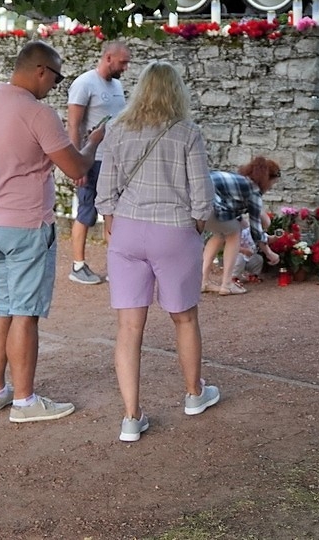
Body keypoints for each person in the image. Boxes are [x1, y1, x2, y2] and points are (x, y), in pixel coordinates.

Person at [0, 40, 104, 424]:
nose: (56, 86)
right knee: (25, 313)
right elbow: (76, 167)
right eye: (56, 78)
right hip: (26, 223)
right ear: (41, 70)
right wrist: (92, 142)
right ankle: (25, 402)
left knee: (0, 309)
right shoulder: (38, 113)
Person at [95, 61, 221, 442]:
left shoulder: (118, 130)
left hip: (127, 230)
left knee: (128, 327)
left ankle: (131, 417)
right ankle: (194, 394)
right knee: (185, 318)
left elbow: (105, 191)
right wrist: (195, 226)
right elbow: (202, 195)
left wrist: (113, 224)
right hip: (174, 230)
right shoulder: (187, 133)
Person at [66, 40, 132, 285]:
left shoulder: (117, 85)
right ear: (108, 58)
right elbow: (73, 124)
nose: (125, 67)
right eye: (123, 62)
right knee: (86, 212)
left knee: (113, 212)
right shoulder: (84, 83)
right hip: (91, 160)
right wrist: (77, 164)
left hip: (114, 160)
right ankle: (78, 266)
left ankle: (116, 266)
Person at [202, 156, 282, 295]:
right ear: (267, 179)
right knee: (234, 232)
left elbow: (229, 208)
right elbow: (256, 230)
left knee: (220, 234)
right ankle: (227, 285)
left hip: (193, 204)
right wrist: (269, 252)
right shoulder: (254, 190)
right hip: (206, 204)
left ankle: (203, 282)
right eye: (272, 183)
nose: (270, 188)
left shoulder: (241, 180)